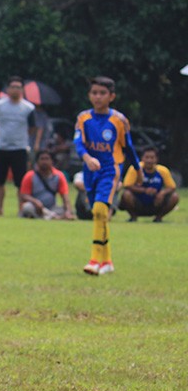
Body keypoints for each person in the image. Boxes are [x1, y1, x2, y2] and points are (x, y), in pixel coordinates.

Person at [74, 76, 138, 275]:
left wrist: (138, 170)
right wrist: (87, 158)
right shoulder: (83, 118)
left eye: (102, 93)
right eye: (94, 93)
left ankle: (94, 260)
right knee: (98, 214)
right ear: (89, 95)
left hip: (110, 170)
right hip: (90, 171)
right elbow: (78, 143)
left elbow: (129, 148)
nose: (98, 97)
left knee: (100, 210)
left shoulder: (119, 120)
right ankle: (107, 261)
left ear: (111, 96)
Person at [0, 76, 40, 216]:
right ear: (7, 89)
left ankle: (21, 209)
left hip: (20, 148)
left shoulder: (28, 108)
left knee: (21, 182)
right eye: (13, 87)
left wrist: (20, 138)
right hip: (1, 147)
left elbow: (32, 128)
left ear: (22, 89)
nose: (15, 90)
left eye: (18, 87)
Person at [119, 146, 179, 222]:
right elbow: (127, 185)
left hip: (156, 203)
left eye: (152, 158)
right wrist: (144, 190)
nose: (149, 160)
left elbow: (172, 187)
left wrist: (162, 193)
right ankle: (133, 217)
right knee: (126, 194)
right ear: (142, 158)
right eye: (147, 157)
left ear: (156, 159)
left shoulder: (163, 170)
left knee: (174, 196)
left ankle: (158, 218)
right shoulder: (135, 169)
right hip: (138, 202)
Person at [19, 150, 74, 219]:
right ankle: (53, 217)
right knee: (27, 207)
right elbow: (23, 195)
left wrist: (68, 211)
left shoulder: (59, 176)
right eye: (42, 159)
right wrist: (35, 202)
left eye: (47, 159)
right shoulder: (30, 176)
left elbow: (65, 197)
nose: (44, 162)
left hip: (52, 207)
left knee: (67, 210)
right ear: (37, 161)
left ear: (52, 161)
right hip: (35, 207)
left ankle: (49, 216)